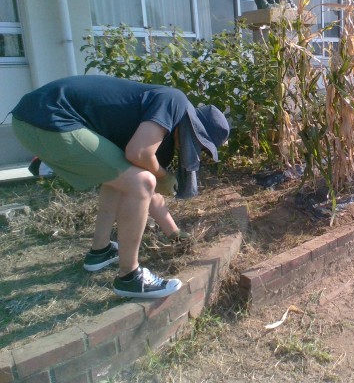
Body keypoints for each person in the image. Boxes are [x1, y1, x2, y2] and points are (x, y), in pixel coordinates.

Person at [11, 75, 230, 298]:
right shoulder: (175, 101)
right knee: (140, 181)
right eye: (200, 143)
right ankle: (129, 277)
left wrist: (175, 234)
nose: (196, 150)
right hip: (47, 115)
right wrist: (163, 176)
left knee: (122, 179)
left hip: (35, 118)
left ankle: (100, 251)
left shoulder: (159, 135)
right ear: (192, 127)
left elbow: (147, 192)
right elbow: (139, 157)